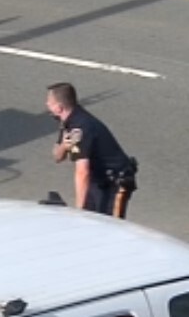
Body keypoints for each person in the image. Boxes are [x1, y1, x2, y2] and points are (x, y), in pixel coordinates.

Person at [45, 83, 138, 217]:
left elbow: (82, 172)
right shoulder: (68, 121)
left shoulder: (81, 127)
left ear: (59, 108)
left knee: (110, 226)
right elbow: (57, 157)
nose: (47, 104)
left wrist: (78, 213)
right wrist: (64, 147)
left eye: (50, 102)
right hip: (96, 181)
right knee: (91, 222)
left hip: (114, 183)